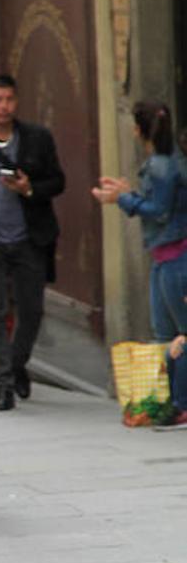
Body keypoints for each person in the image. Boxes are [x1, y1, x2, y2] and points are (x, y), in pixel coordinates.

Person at [0, 75, 65, 411]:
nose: (4, 106)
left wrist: (28, 189)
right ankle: (3, 383)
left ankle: (16, 362)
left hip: (30, 238)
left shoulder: (37, 138)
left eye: (9, 99)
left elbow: (58, 181)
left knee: (32, 309)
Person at [92, 101, 187, 423]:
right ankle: (169, 399)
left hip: (175, 257)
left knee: (180, 333)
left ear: (137, 130)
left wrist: (122, 198)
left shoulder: (162, 164)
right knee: (164, 332)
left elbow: (159, 210)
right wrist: (128, 193)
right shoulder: (164, 162)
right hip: (165, 257)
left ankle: (181, 403)